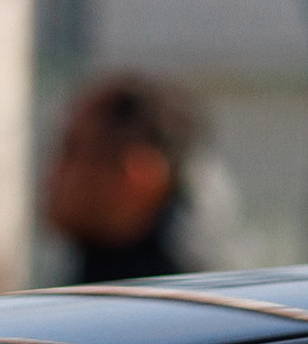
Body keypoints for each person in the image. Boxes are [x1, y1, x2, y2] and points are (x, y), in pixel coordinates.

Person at [44, 74, 197, 282]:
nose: (53, 171)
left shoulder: (170, 292)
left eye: (72, 151)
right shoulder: (97, 272)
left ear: (140, 175)